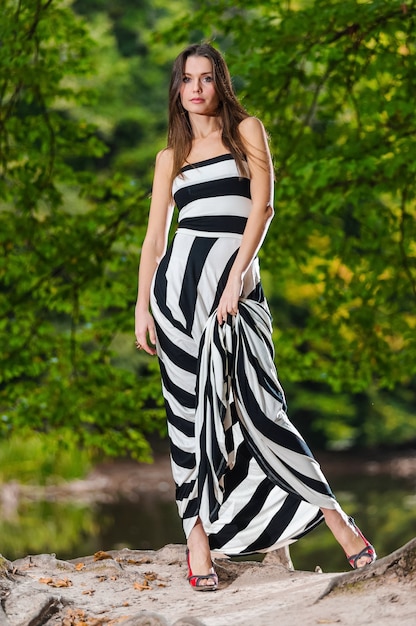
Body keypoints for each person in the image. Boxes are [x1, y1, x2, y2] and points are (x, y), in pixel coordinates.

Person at [134, 43, 376, 591]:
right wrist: (141, 305)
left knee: (262, 407)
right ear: (177, 88)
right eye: (186, 79)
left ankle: (339, 524)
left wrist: (237, 281)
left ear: (221, 82)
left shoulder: (247, 131)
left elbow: (262, 209)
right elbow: (154, 239)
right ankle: (198, 540)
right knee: (188, 416)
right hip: (177, 296)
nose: (196, 88)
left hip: (236, 290)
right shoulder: (169, 157)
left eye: (206, 78)